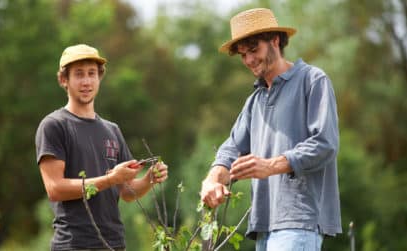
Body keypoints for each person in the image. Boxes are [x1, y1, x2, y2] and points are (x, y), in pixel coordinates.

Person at [200, 8, 341, 251]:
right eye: (243, 54)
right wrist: (212, 180)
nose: (249, 60)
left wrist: (270, 166)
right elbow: (230, 149)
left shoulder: (312, 80)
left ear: (275, 40)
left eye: (254, 50)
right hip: (263, 225)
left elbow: (325, 143)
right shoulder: (255, 101)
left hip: (300, 221)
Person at [35, 44, 168, 251]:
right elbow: (55, 188)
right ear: (64, 80)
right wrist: (110, 180)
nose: (86, 81)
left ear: (99, 78)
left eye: (92, 73)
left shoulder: (112, 130)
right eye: (79, 74)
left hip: (114, 244)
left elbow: (127, 192)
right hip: (73, 245)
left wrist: (150, 179)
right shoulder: (54, 125)